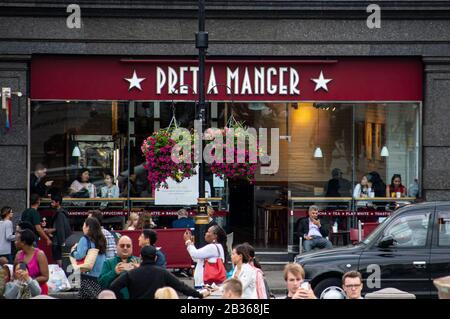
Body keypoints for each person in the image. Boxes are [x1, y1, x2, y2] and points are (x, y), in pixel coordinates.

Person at [110, 245, 210, 299]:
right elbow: (182, 287)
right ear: (156, 257)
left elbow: (113, 286)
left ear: (141, 257)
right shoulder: (162, 273)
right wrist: (199, 295)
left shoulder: (131, 273)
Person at [71, 217, 107, 299]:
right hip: (101, 277)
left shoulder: (84, 239)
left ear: (88, 227)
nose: (83, 227)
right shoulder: (102, 239)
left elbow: (80, 255)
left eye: (84, 225)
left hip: (88, 277)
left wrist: (73, 251)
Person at [14, 229, 49, 295]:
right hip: (23, 292)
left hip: (39, 291)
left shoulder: (39, 254)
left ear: (23, 242)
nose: (15, 242)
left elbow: (45, 277)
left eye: (16, 240)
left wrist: (29, 280)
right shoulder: (18, 254)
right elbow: (14, 275)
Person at [43, 194, 72, 267]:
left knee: (60, 263)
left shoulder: (59, 214)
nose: (51, 204)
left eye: (53, 202)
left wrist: (48, 230)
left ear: (57, 202)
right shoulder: (62, 213)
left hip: (58, 242)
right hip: (60, 241)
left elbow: (59, 228)